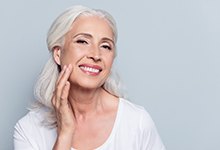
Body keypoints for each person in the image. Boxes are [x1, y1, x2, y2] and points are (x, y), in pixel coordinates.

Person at [13, 5, 166, 150]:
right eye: (82, 41)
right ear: (58, 54)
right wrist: (65, 133)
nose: (95, 55)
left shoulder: (137, 122)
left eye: (105, 46)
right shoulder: (28, 130)